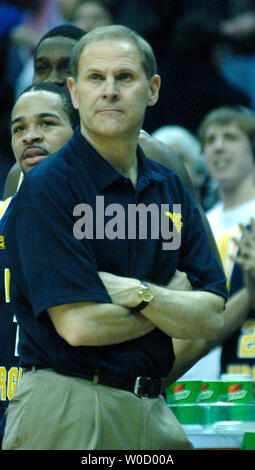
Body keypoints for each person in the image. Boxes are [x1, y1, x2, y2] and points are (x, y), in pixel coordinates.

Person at [2, 25, 227, 451]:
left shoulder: (170, 187)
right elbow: (80, 325)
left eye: (124, 77)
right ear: (74, 92)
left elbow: (212, 317)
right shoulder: (47, 187)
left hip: (150, 405)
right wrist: (169, 303)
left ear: (153, 88)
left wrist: (139, 293)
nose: (109, 91)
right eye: (95, 78)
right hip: (68, 404)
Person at [0, 81, 76, 448]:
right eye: (19, 128)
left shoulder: (110, 217)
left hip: (74, 404)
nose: (31, 136)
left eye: (47, 123)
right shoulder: (3, 215)